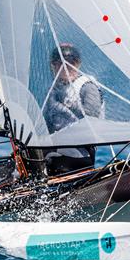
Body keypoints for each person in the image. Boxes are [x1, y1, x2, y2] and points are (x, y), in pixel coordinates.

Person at [41, 43, 105, 175]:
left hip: (81, 151)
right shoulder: (53, 89)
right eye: (60, 62)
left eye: (71, 62)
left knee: (52, 160)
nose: (66, 66)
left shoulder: (87, 87)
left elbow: (91, 120)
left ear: (78, 64)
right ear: (53, 65)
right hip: (54, 147)